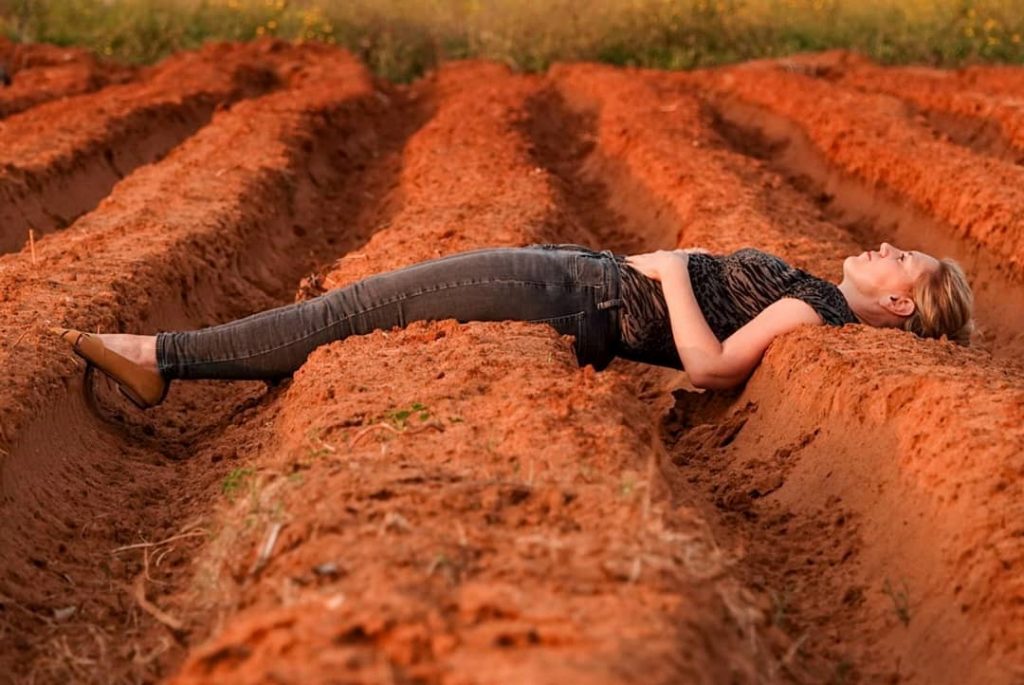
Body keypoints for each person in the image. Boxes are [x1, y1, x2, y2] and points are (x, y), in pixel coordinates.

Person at [51, 241, 974, 408]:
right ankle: (170, 355)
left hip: (579, 296)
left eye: (905, 261)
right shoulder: (818, 298)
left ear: (898, 305)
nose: (888, 246)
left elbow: (709, 367)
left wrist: (666, 270)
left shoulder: (812, 312)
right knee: (364, 306)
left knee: (354, 310)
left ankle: (159, 358)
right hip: (578, 277)